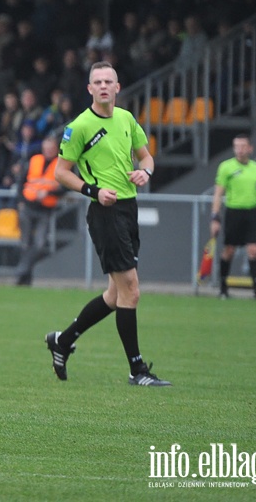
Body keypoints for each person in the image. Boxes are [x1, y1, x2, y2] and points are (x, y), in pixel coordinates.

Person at [45, 61, 171, 387]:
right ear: (89, 89)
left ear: (117, 87)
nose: (103, 86)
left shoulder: (127, 118)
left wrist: (146, 171)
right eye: (97, 81)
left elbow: (146, 156)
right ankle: (137, 370)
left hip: (128, 209)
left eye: (108, 81)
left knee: (116, 296)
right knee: (132, 290)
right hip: (104, 213)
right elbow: (60, 172)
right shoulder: (80, 126)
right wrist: (94, 191)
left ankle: (63, 340)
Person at [210, 134, 256, 300]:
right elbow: (218, 194)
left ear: (250, 148)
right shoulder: (226, 167)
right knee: (229, 250)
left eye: (243, 146)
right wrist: (215, 217)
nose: (240, 150)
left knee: (254, 250)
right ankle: (223, 287)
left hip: (252, 213)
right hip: (233, 213)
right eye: (237, 146)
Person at [15, 135, 64, 286]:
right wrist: (20, 202)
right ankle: (25, 279)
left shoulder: (60, 164)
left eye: (51, 148)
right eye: (46, 148)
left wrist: (49, 193)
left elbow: (65, 187)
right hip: (28, 206)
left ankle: (21, 270)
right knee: (25, 243)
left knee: (40, 244)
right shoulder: (34, 160)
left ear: (56, 149)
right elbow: (21, 182)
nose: (48, 151)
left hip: (45, 209)